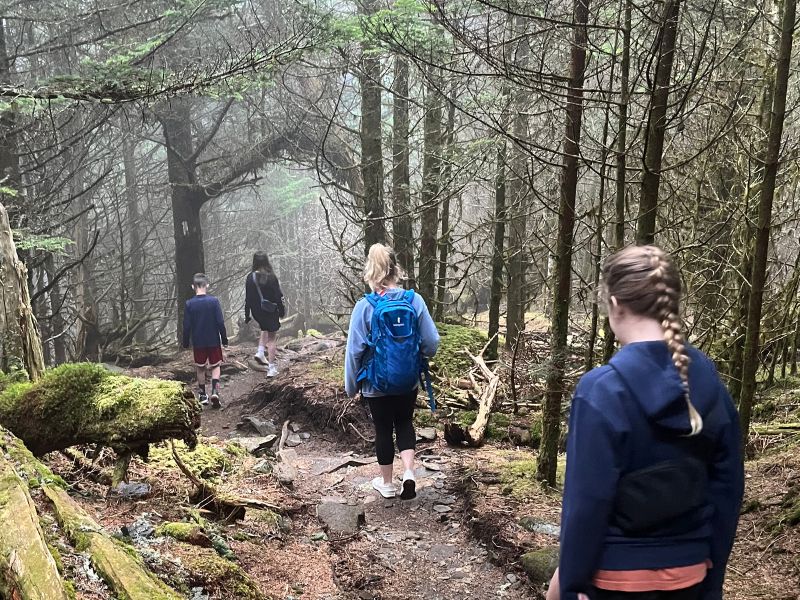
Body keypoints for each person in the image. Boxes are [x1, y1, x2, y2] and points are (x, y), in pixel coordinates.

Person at [547, 245, 744, 600]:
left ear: (615, 304)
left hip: (614, 579)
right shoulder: (710, 386)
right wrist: (711, 582)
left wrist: (570, 584)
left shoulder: (601, 391)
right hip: (692, 573)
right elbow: (727, 491)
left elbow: (587, 502)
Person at [344, 243, 440, 500]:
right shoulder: (414, 300)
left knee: (383, 429)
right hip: (407, 381)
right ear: (396, 270)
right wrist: (416, 356)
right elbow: (432, 343)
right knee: (405, 422)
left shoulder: (365, 306)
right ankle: (409, 472)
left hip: (376, 384)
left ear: (370, 272)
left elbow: (354, 351)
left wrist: (351, 386)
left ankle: (386, 483)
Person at [182, 273, 228, 408]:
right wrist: (224, 339)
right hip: (213, 339)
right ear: (207, 285)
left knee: (200, 367)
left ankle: (202, 394)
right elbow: (220, 322)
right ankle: (215, 391)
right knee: (216, 366)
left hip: (198, 341)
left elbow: (187, 326)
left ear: (193, 286)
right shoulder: (214, 301)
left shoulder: (189, 304)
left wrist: (185, 342)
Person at [244, 251, 285, 378]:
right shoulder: (271, 277)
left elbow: (248, 298)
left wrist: (247, 314)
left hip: (257, 312)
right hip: (270, 310)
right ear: (266, 261)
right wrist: (282, 309)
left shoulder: (250, 277)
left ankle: (260, 352)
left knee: (264, 327)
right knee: (272, 339)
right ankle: (271, 368)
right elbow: (278, 296)